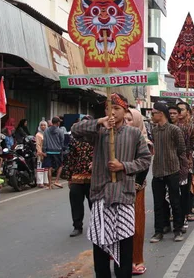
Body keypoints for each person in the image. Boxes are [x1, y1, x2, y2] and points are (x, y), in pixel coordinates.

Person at [71, 93, 151, 278]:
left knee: (124, 244)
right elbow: (75, 130)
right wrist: (99, 122)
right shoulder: (99, 131)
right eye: (109, 108)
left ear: (125, 111)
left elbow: (145, 160)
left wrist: (123, 166)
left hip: (123, 195)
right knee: (100, 244)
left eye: (116, 108)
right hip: (101, 195)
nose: (112, 112)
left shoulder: (134, 134)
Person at [150, 102, 186, 244]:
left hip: (172, 170)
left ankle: (178, 230)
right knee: (158, 203)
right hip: (157, 171)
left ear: (161, 113)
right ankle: (159, 231)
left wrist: (174, 160)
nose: (152, 116)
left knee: (175, 201)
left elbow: (181, 149)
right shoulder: (154, 130)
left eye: (153, 113)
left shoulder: (174, 130)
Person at [127, 109, 151, 276]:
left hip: (135, 189)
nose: (127, 122)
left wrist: (135, 184)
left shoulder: (143, 141)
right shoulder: (113, 138)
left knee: (135, 226)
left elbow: (144, 164)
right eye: (125, 119)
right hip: (115, 189)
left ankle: (137, 259)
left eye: (130, 119)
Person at [67, 116, 94, 238]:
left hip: (93, 177)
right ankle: (77, 226)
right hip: (77, 176)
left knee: (94, 204)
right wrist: (69, 177)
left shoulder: (96, 139)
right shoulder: (74, 140)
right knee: (76, 202)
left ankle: (96, 226)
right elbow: (70, 159)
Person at [43, 116, 66, 189]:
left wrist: (44, 150)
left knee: (49, 168)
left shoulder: (46, 130)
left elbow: (45, 141)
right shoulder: (60, 131)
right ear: (58, 123)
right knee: (60, 166)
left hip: (49, 151)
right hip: (57, 151)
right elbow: (62, 141)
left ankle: (50, 185)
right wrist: (62, 149)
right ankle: (56, 180)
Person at [35, 120, 49, 188]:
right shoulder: (38, 134)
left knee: (46, 168)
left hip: (47, 152)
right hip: (41, 153)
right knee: (40, 168)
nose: (43, 126)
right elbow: (38, 145)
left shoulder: (47, 133)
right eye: (41, 125)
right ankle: (40, 182)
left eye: (44, 125)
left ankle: (46, 181)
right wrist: (41, 153)